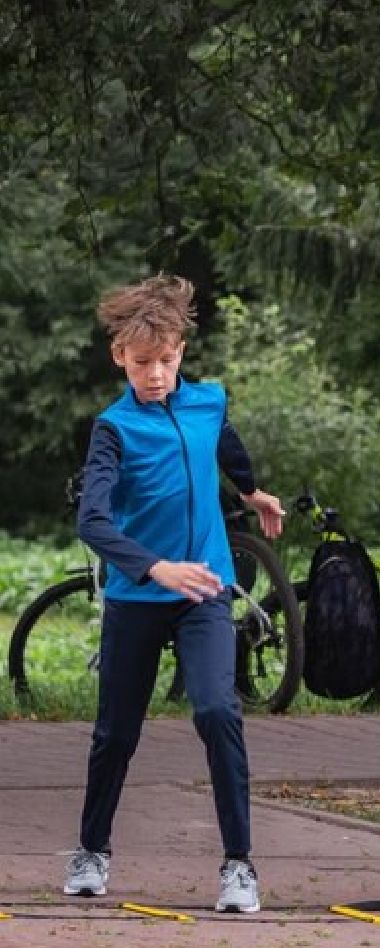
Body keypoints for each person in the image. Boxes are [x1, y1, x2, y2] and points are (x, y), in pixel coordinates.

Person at [64, 273, 285, 914]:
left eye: (165, 360)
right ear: (119, 359)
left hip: (206, 590)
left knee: (218, 712)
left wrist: (251, 492)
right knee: (116, 733)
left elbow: (225, 443)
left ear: (181, 353)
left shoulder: (207, 401)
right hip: (140, 597)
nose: (155, 374)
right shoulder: (113, 429)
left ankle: (239, 866)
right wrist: (155, 567)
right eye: (141, 363)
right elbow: (92, 521)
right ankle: (92, 852)